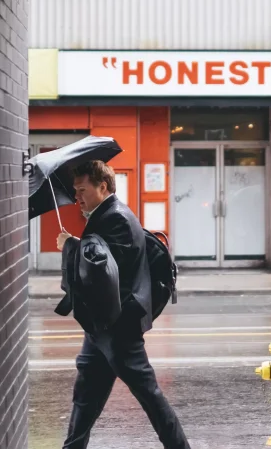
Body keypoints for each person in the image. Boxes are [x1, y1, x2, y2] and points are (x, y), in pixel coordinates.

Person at [55, 160, 191, 449]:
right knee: (85, 398)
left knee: (150, 397)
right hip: (102, 329)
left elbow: (102, 270)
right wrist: (78, 243)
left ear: (102, 186)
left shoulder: (115, 217)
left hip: (119, 330)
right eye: (76, 191)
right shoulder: (108, 215)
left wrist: (70, 246)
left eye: (82, 190)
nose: (77, 197)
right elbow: (103, 254)